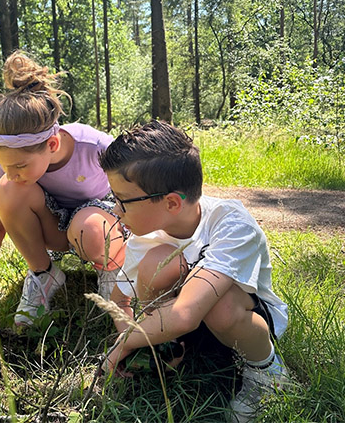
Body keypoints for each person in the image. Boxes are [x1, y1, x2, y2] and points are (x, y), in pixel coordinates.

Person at [98, 120, 289, 422]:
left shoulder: (233, 226)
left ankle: (266, 372)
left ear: (172, 202)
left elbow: (185, 314)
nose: (114, 209)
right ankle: (173, 352)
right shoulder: (146, 234)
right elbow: (119, 299)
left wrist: (124, 344)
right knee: (157, 260)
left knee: (220, 305)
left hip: (238, 322)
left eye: (122, 200)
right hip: (183, 329)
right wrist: (133, 335)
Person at [0, 51, 126, 327]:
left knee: (91, 230)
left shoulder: (93, 146)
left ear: (51, 145)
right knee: (7, 191)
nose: (10, 173)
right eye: (2, 164)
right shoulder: (10, 170)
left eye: (19, 166)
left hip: (102, 223)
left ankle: (112, 269)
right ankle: (44, 274)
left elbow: (135, 181)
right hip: (57, 227)